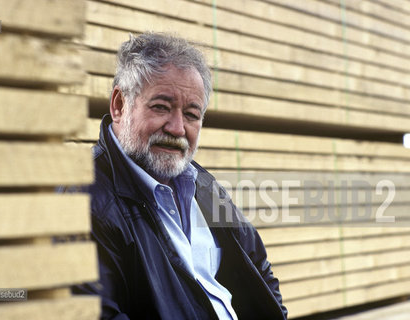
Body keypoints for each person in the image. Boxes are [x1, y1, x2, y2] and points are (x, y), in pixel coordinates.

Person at [83, 32, 287, 319]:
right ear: (119, 105)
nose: (178, 129)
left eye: (191, 114)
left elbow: (259, 268)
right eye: (161, 107)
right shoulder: (87, 199)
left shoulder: (201, 185)